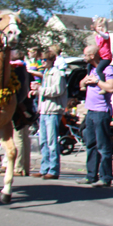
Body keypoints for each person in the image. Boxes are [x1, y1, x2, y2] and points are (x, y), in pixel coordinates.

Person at [79, 45, 113, 187]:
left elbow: (111, 87)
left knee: (103, 146)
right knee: (91, 144)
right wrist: (85, 81)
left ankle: (106, 177)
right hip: (90, 111)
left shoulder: (107, 69)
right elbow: (81, 84)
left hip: (101, 112)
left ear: (92, 55)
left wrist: (97, 82)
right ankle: (91, 175)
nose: (84, 58)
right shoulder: (91, 69)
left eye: (85, 55)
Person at [35, 49, 67, 180]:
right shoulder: (46, 73)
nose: (42, 62)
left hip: (53, 111)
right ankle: (44, 168)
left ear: (51, 60)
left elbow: (57, 90)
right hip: (44, 111)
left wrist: (40, 89)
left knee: (52, 142)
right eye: (41, 60)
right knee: (43, 141)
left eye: (44, 60)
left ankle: (53, 170)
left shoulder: (57, 73)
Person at [92, 16, 112, 82]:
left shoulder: (106, 34)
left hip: (106, 57)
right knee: (89, 65)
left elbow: (105, 37)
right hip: (100, 56)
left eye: (102, 27)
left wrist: (100, 32)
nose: (100, 28)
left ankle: (103, 82)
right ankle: (89, 77)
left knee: (99, 70)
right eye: (99, 26)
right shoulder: (97, 36)